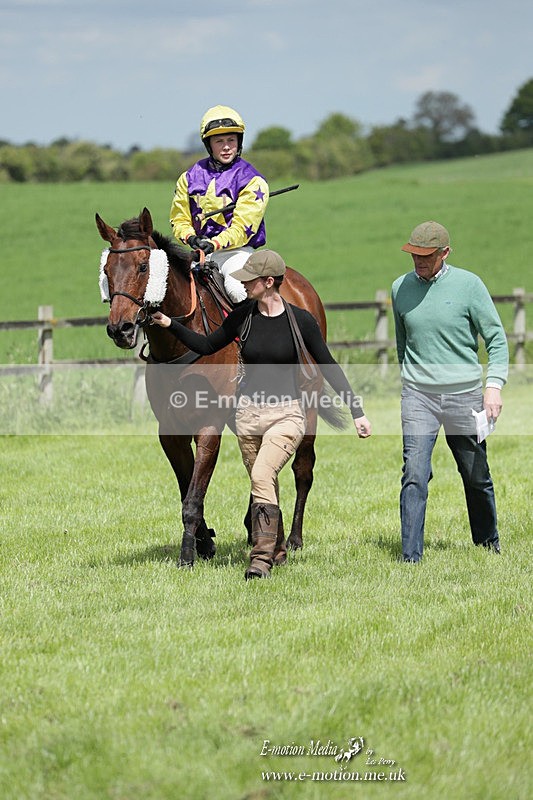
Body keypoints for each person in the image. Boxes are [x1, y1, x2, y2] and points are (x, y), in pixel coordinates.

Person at [151, 249, 372, 580]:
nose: (243, 285)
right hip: (249, 418)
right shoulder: (243, 316)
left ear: (269, 283)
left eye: (249, 281)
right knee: (264, 483)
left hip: (287, 415)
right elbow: (207, 345)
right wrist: (169, 324)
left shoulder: (302, 321)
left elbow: (329, 366)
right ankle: (278, 547)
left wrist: (357, 411)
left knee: (261, 476)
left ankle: (260, 558)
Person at [391, 220, 509, 563]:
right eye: (414, 255)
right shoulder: (400, 287)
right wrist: (410, 382)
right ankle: (410, 558)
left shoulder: (470, 285)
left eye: (427, 256)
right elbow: (403, 344)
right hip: (418, 397)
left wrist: (494, 387)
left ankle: (488, 544)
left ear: (445, 253)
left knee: (475, 475)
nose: (419, 262)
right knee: (414, 473)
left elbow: (497, 340)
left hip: (464, 396)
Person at [169, 105, 269, 303]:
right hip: (199, 255)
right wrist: (190, 238)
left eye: (231, 140)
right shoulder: (188, 177)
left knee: (237, 290)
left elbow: (242, 229)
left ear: (239, 142)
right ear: (209, 144)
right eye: (219, 141)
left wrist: (214, 243)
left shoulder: (253, 180)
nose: (226, 147)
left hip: (235, 254)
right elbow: (179, 218)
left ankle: (254, 333)